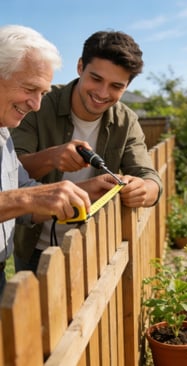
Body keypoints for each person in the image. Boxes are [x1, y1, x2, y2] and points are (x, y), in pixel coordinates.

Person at [11, 30, 163, 273]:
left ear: (127, 87)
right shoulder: (38, 103)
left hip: (96, 243)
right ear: (80, 67)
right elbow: (10, 174)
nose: (102, 93)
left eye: (116, 86)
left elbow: (150, 178)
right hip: (35, 248)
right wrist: (51, 158)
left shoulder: (127, 121)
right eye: (96, 79)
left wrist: (144, 190)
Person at [0, 25, 117, 295]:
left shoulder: (4, 131)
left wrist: (78, 192)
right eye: (30, 89)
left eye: (42, 93)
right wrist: (29, 199)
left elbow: (21, 193)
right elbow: (24, 199)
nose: (36, 105)